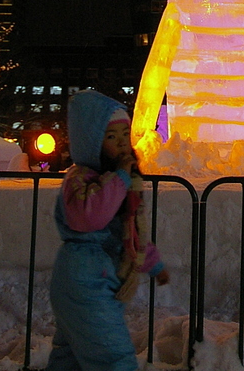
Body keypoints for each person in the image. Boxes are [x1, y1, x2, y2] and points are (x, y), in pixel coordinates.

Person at [46, 90, 169, 371]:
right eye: (111, 138)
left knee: (72, 360)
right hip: (83, 282)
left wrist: (154, 264)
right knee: (114, 359)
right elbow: (92, 218)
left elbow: (127, 230)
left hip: (100, 279)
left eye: (125, 136)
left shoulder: (116, 181)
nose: (123, 145)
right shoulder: (79, 180)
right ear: (92, 143)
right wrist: (121, 178)